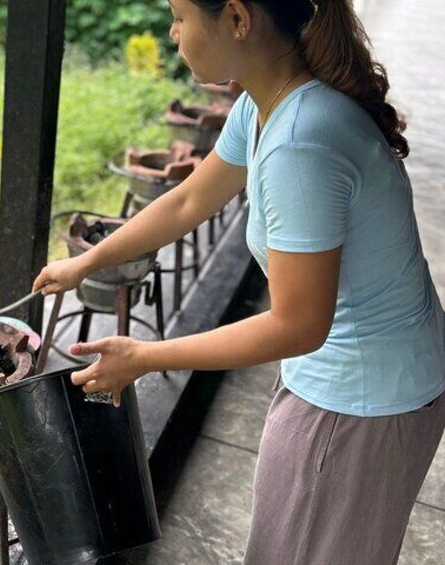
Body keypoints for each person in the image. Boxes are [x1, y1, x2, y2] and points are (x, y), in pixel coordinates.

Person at [32, 0, 445, 563]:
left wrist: (147, 356)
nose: (173, 33)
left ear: (237, 18)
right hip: (364, 382)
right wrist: (87, 262)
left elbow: (297, 325)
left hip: (362, 402)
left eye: (179, 16)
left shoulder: (301, 142)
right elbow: (188, 200)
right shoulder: (270, 101)